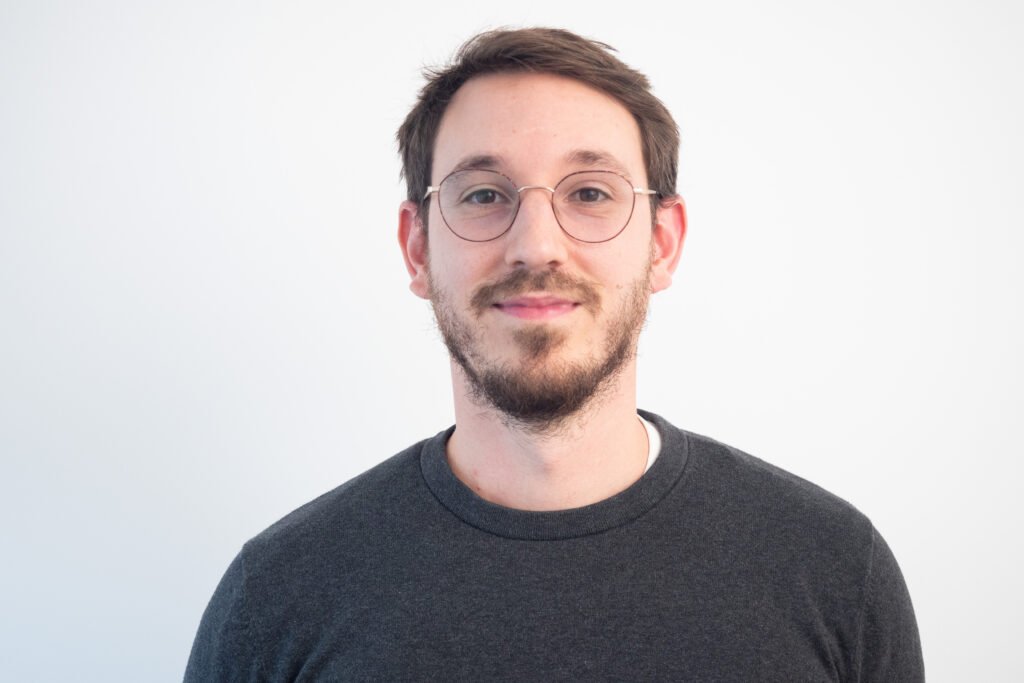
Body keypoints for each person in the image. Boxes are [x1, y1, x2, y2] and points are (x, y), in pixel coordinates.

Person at [185, 27, 923, 681]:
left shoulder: (833, 570)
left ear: (662, 244)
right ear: (417, 249)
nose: (536, 245)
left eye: (591, 193)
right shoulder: (276, 596)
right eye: (483, 195)